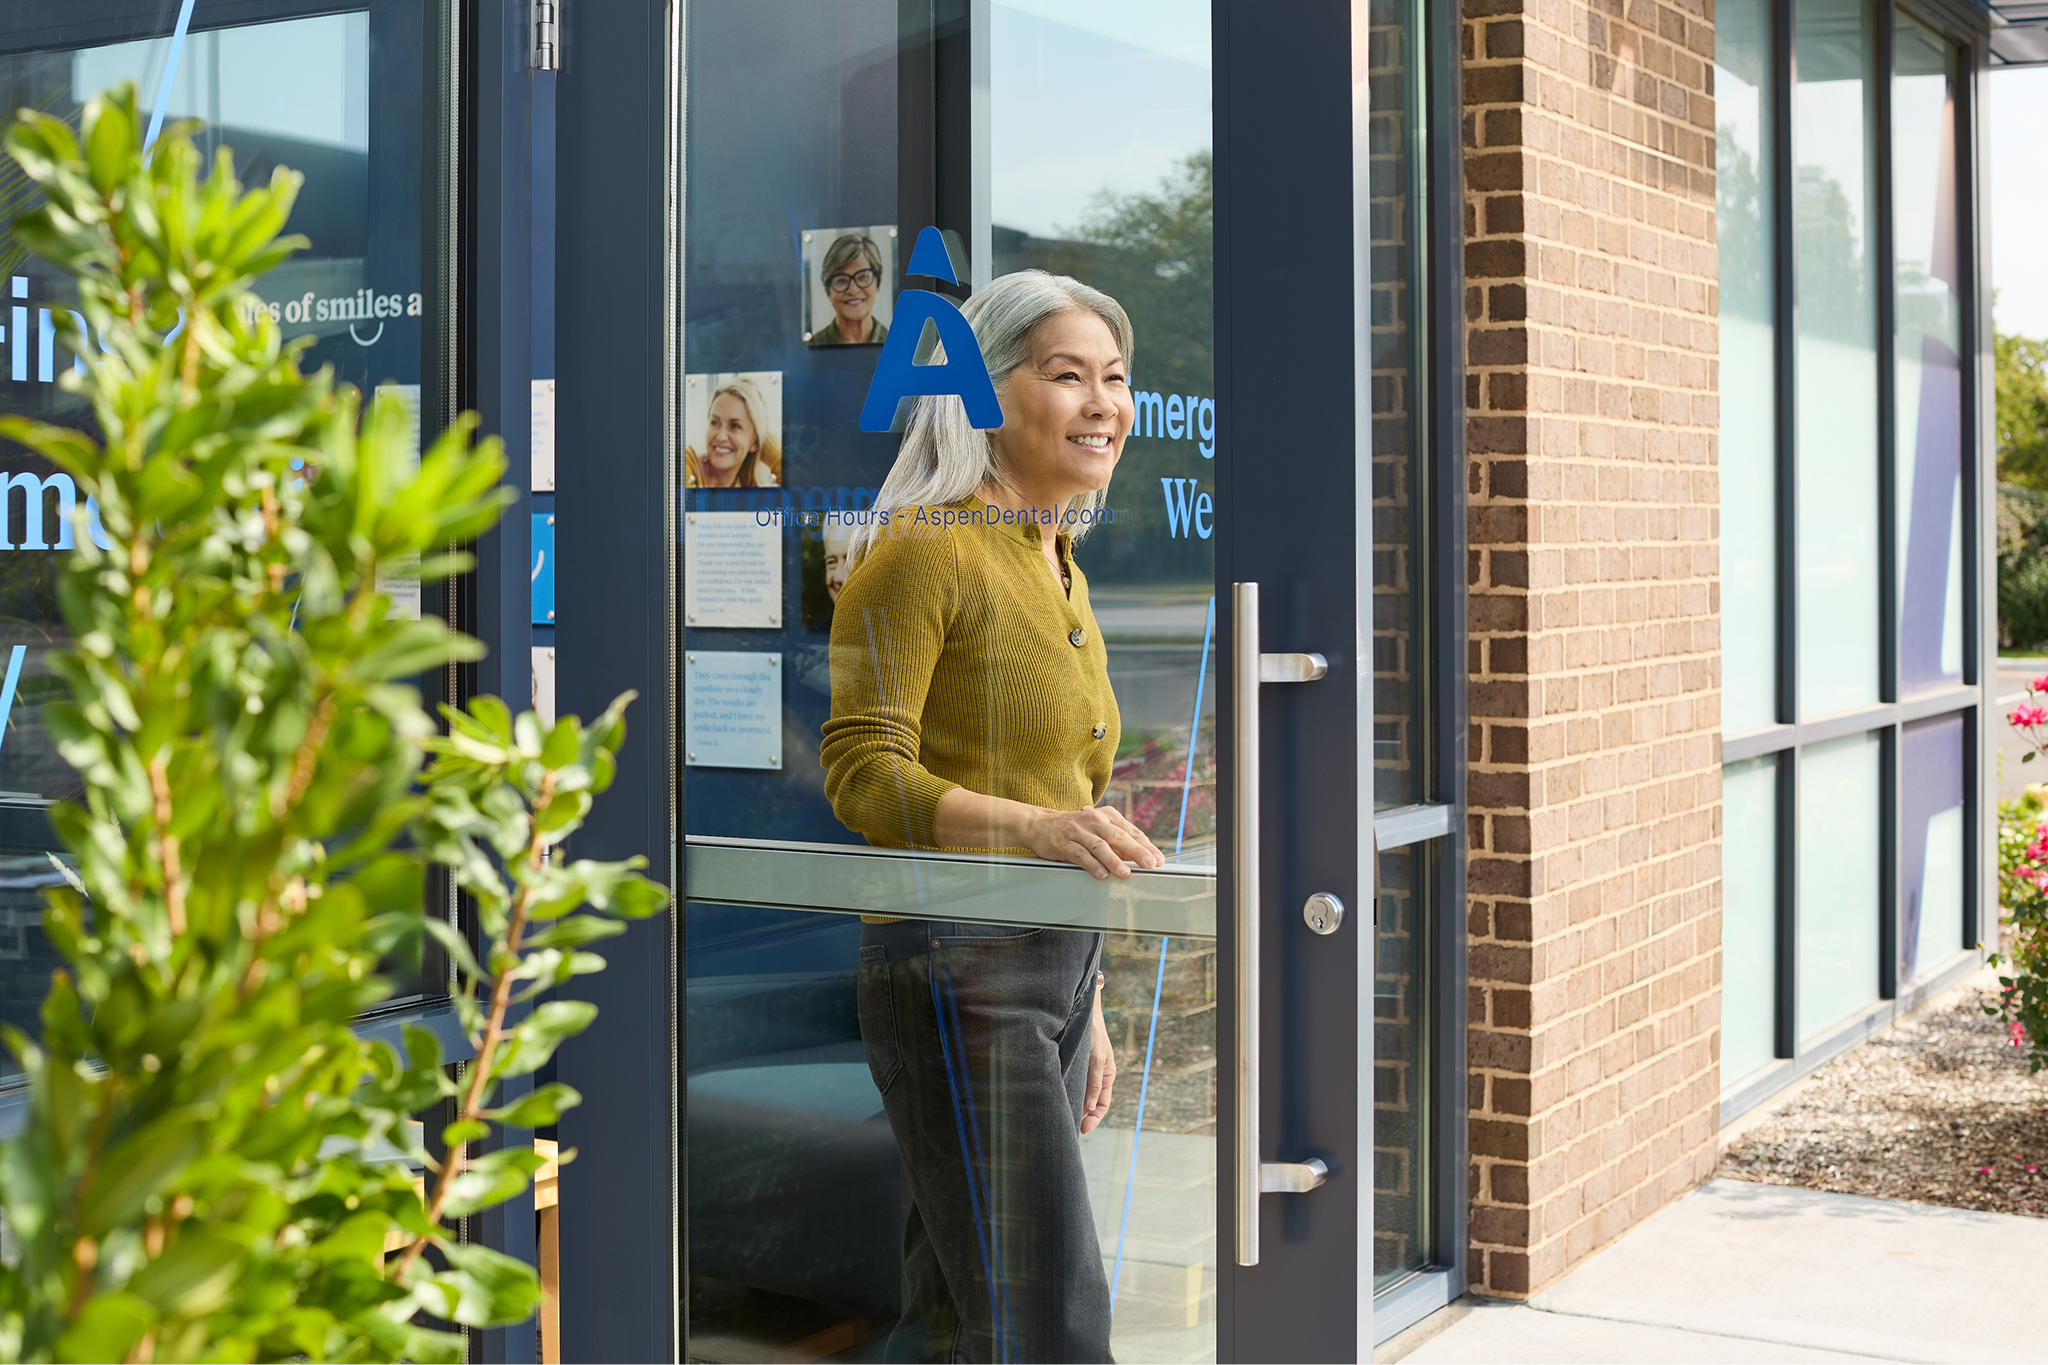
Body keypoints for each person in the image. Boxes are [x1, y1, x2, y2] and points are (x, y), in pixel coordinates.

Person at [820, 270, 1162, 1364]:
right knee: (1050, 1325)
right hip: (953, 972)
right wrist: (1029, 831)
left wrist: (1090, 1002)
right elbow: (860, 772)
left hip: (1050, 972)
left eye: (1113, 377)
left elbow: (1072, 800)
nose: (1101, 402)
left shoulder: (1058, 560)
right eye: (1066, 375)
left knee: (956, 1319)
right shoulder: (926, 548)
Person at [684, 375, 781, 488]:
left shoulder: (749, 489)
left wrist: (776, 457)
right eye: (714, 422)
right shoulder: (686, 465)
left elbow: (796, 493)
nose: (720, 437)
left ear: (754, 442)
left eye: (735, 426)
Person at [808, 232, 889, 346]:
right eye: (841, 280)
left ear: (878, 283)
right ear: (827, 290)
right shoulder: (812, 348)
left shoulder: (897, 344)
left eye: (863, 277)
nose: (853, 290)